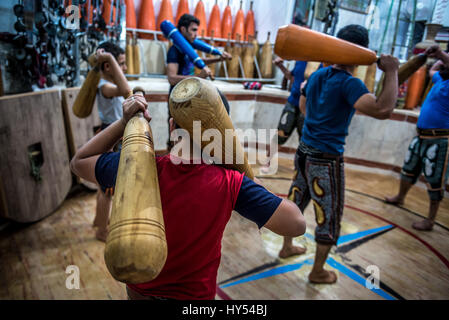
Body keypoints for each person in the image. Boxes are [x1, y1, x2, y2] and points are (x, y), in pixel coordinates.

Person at [70, 91, 306, 300]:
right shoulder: (231, 182)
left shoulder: (140, 166)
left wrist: (123, 122)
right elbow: (296, 224)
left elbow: (79, 162)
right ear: (223, 134)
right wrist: (251, 178)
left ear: (172, 127)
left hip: (139, 291)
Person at [279, 24, 399, 284]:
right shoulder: (350, 83)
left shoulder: (318, 76)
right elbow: (383, 109)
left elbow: (303, 107)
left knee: (295, 199)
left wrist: (319, 121)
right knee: (329, 216)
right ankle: (318, 271)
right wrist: (392, 71)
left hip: (304, 152)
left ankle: (286, 246)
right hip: (325, 159)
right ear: (361, 52)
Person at [385, 44, 449, 231]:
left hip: (440, 140)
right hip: (421, 136)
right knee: (409, 169)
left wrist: (441, 54)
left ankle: (430, 219)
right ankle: (400, 197)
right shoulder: (439, 80)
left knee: (435, 180)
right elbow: (435, 69)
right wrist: (437, 59)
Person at [166, 13, 232, 149]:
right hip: (178, 98)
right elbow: (172, 78)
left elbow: (199, 61)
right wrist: (198, 78)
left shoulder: (188, 49)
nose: (196, 34)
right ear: (183, 30)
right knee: (177, 136)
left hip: (189, 95)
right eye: (193, 30)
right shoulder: (174, 50)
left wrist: (219, 58)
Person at [92, 41, 130, 242]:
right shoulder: (104, 86)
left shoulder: (107, 83)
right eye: (121, 63)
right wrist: (110, 59)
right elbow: (126, 90)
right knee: (107, 188)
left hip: (114, 134)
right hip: (110, 135)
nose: (124, 68)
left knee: (107, 185)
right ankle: (101, 230)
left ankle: (100, 219)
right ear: (108, 66)